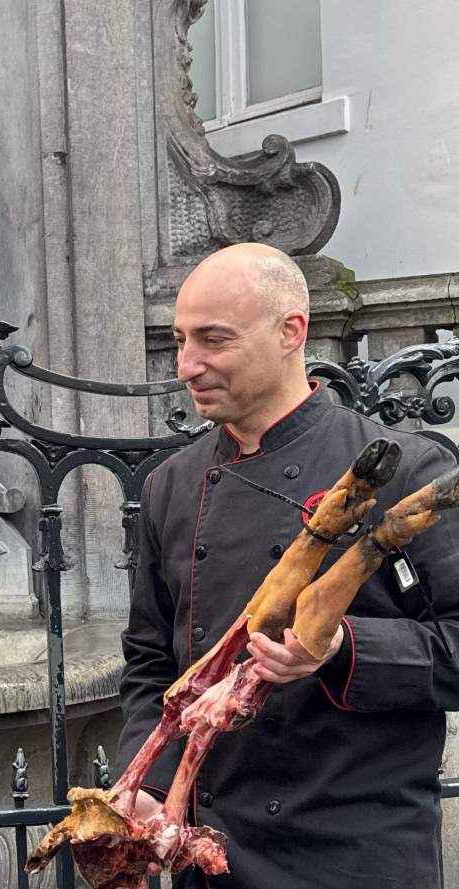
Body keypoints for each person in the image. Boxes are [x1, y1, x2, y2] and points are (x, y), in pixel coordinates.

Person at [117, 242, 459, 889]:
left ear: (289, 331)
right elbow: (150, 663)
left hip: (357, 859)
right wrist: (150, 781)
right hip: (212, 863)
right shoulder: (170, 484)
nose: (187, 364)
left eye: (213, 339)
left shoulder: (403, 470)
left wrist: (343, 646)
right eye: (181, 339)